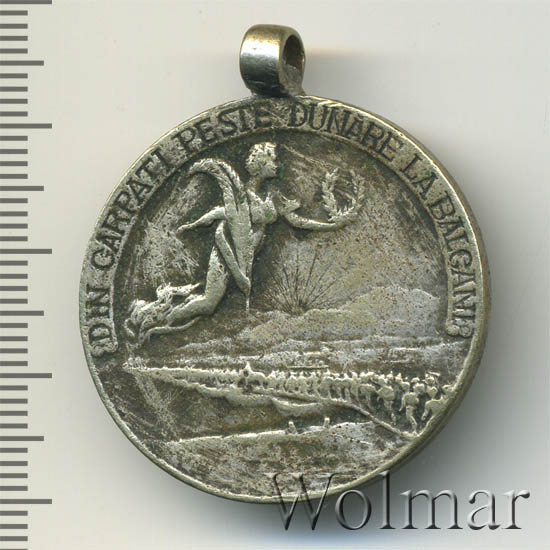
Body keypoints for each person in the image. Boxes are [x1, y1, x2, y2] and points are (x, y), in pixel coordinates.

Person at [135, 141, 362, 343]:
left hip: (247, 254)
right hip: (226, 251)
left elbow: (297, 221)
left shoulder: (272, 196)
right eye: (272, 160)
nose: (277, 164)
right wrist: (198, 228)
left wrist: (331, 225)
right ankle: (158, 323)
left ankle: (158, 326)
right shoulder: (241, 196)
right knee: (208, 304)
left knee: (210, 304)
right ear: (261, 164)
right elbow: (221, 221)